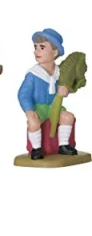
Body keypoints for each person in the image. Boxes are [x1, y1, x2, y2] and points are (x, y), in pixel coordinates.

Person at [18, 28, 76, 160]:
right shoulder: (33, 74)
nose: (36, 51)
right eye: (35, 47)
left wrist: (67, 90)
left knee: (68, 117)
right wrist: (29, 110)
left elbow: (68, 84)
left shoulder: (60, 72)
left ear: (54, 52)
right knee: (33, 122)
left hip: (54, 106)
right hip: (39, 107)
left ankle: (63, 145)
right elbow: (23, 94)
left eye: (42, 47)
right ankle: (36, 148)